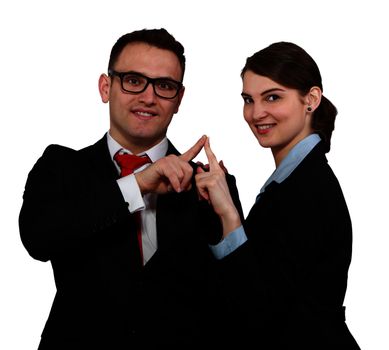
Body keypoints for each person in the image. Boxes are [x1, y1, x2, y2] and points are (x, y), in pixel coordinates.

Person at [19, 28, 243, 349]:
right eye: (134, 81)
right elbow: (39, 239)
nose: (149, 97)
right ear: (106, 87)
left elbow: (241, 297)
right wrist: (138, 183)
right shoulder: (62, 166)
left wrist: (227, 217)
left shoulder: (213, 184)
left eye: (164, 86)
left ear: (178, 99)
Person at [195, 42, 361, 349]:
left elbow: (258, 314)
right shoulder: (293, 181)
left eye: (272, 97)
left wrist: (230, 216)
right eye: (248, 100)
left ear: (310, 99)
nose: (256, 113)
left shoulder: (308, 189)